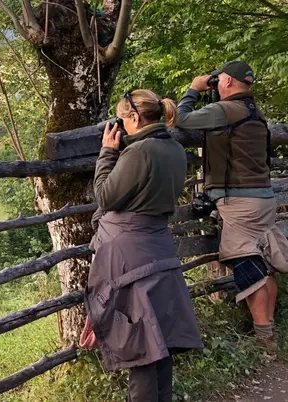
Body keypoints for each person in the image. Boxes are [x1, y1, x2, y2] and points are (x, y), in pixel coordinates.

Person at [81, 90, 203, 402]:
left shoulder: (139, 153)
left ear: (134, 117)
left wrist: (108, 153)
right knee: (157, 340)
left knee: (140, 347)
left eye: (122, 119)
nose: (119, 126)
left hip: (130, 259)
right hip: (158, 248)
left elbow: (106, 197)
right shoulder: (173, 148)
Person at [176, 61, 288, 351]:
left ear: (228, 82)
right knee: (264, 267)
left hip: (240, 202)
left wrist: (194, 89)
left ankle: (264, 341)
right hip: (262, 199)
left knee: (248, 268)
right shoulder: (255, 111)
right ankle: (269, 332)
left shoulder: (225, 111)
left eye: (219, 81)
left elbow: (182, 119)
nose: (215, 85)